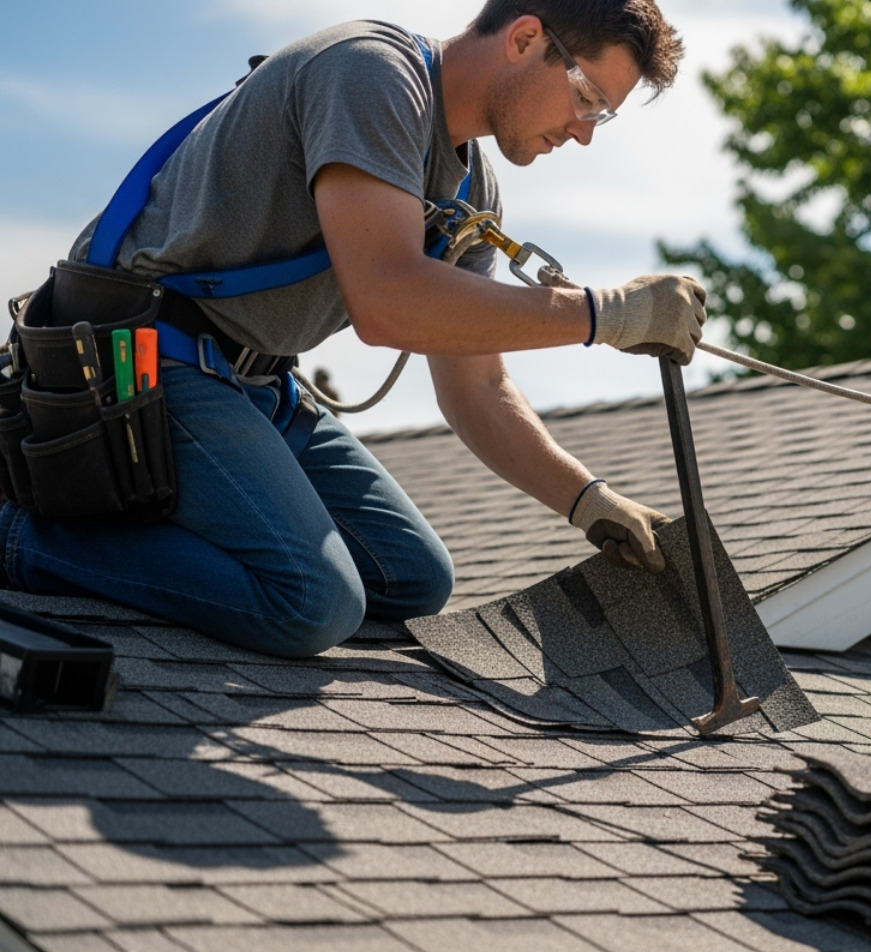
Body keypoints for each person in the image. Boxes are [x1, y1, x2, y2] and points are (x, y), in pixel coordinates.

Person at [0, 0, 702, 657]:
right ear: (523, 39)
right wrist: (607, 314)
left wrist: (586, 500)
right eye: (587, 97)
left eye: (601, 117)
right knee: (313, 601)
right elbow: (386, 299)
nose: (583, 133)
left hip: (255, 380)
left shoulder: (472, 195)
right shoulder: (372, 74)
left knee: (413, 580)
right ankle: (16, 538)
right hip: (150, 361)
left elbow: (479, 386)